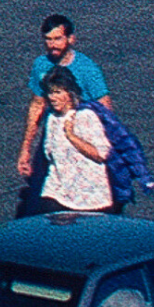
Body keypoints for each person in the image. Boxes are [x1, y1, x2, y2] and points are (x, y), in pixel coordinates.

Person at [25, 69, 118, 215]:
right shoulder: (52, 119)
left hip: (91, 198)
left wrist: (71, 136)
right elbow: (50, 155)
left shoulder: (86, 117)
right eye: (50, 93)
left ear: (70, 93)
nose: (52, 98)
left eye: (58, 92)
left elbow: (101, 154)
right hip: (57, 193)